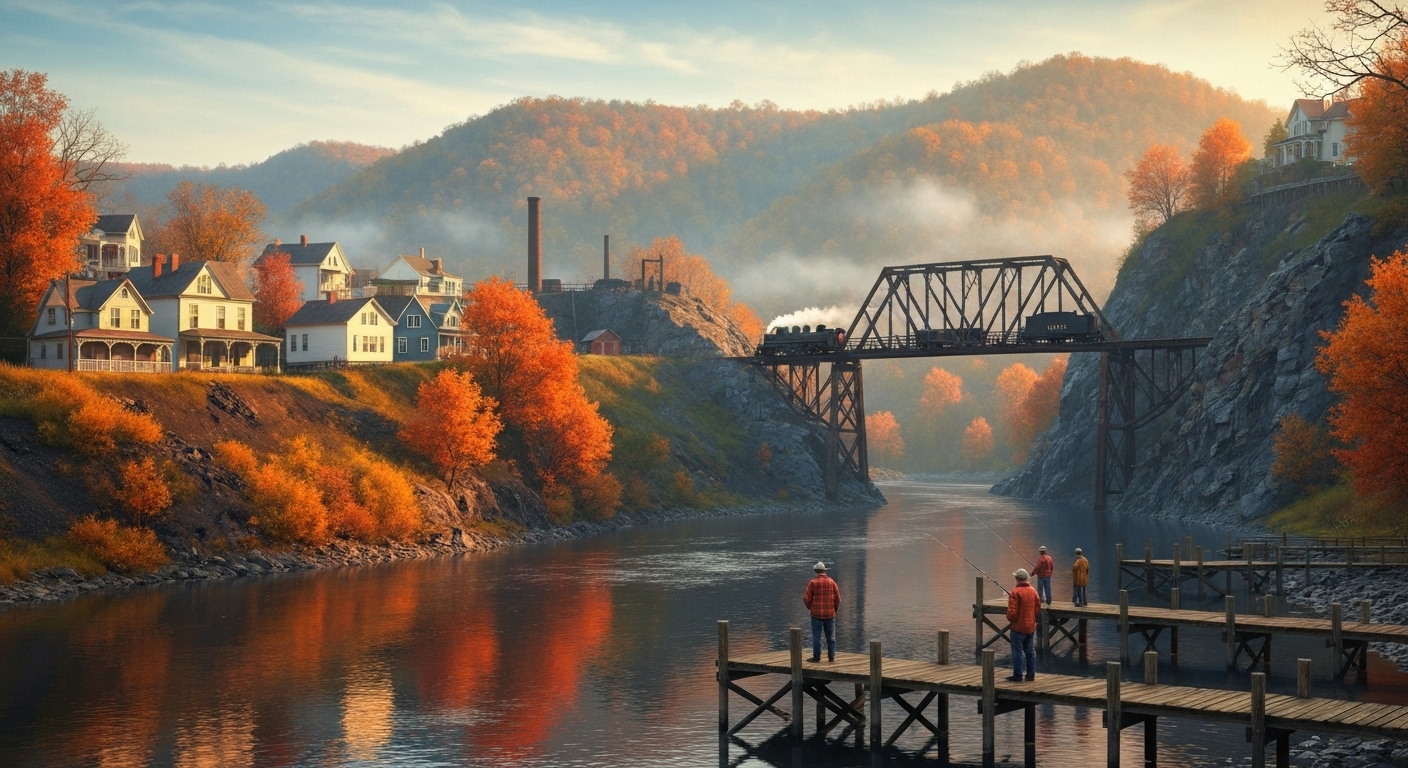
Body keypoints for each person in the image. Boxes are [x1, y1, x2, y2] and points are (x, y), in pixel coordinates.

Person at [1006, 568, 1040, 681]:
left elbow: (1012, 612)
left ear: (1017, 579)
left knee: (1017, 651)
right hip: (1030, 626)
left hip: (1018, 627)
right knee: (1030, 652)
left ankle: (1018, 675)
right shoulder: (1033, 591)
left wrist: (1011, 620)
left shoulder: (1015, 592)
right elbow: (1037, 607)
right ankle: (1031, 675)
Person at [803, 561, 840, 663]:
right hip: (830, 614)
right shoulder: (832, 582)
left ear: (816, 571)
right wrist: (834, 610)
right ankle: (831, 657)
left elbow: (806, 598)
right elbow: (838, 599)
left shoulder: (812, 583)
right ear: (824, 571)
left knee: (816, 637)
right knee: (831, 637)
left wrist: (811, 608)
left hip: (816, 614)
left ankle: (816, 657)